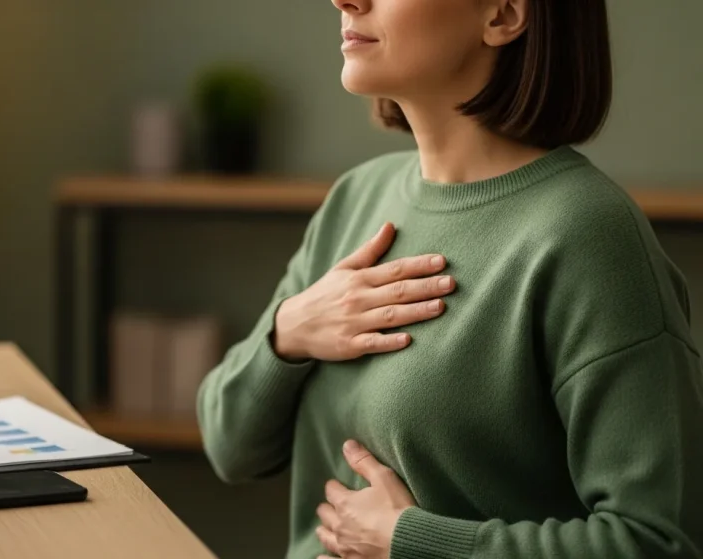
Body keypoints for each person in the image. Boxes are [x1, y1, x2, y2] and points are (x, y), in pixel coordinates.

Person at [196, 0, 703, 558]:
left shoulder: (589, 238)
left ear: (504, 15)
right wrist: (288, 332)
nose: (345, 0)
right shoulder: (358, 197)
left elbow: (657, 543)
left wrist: (412, 543)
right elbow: (230, 448)